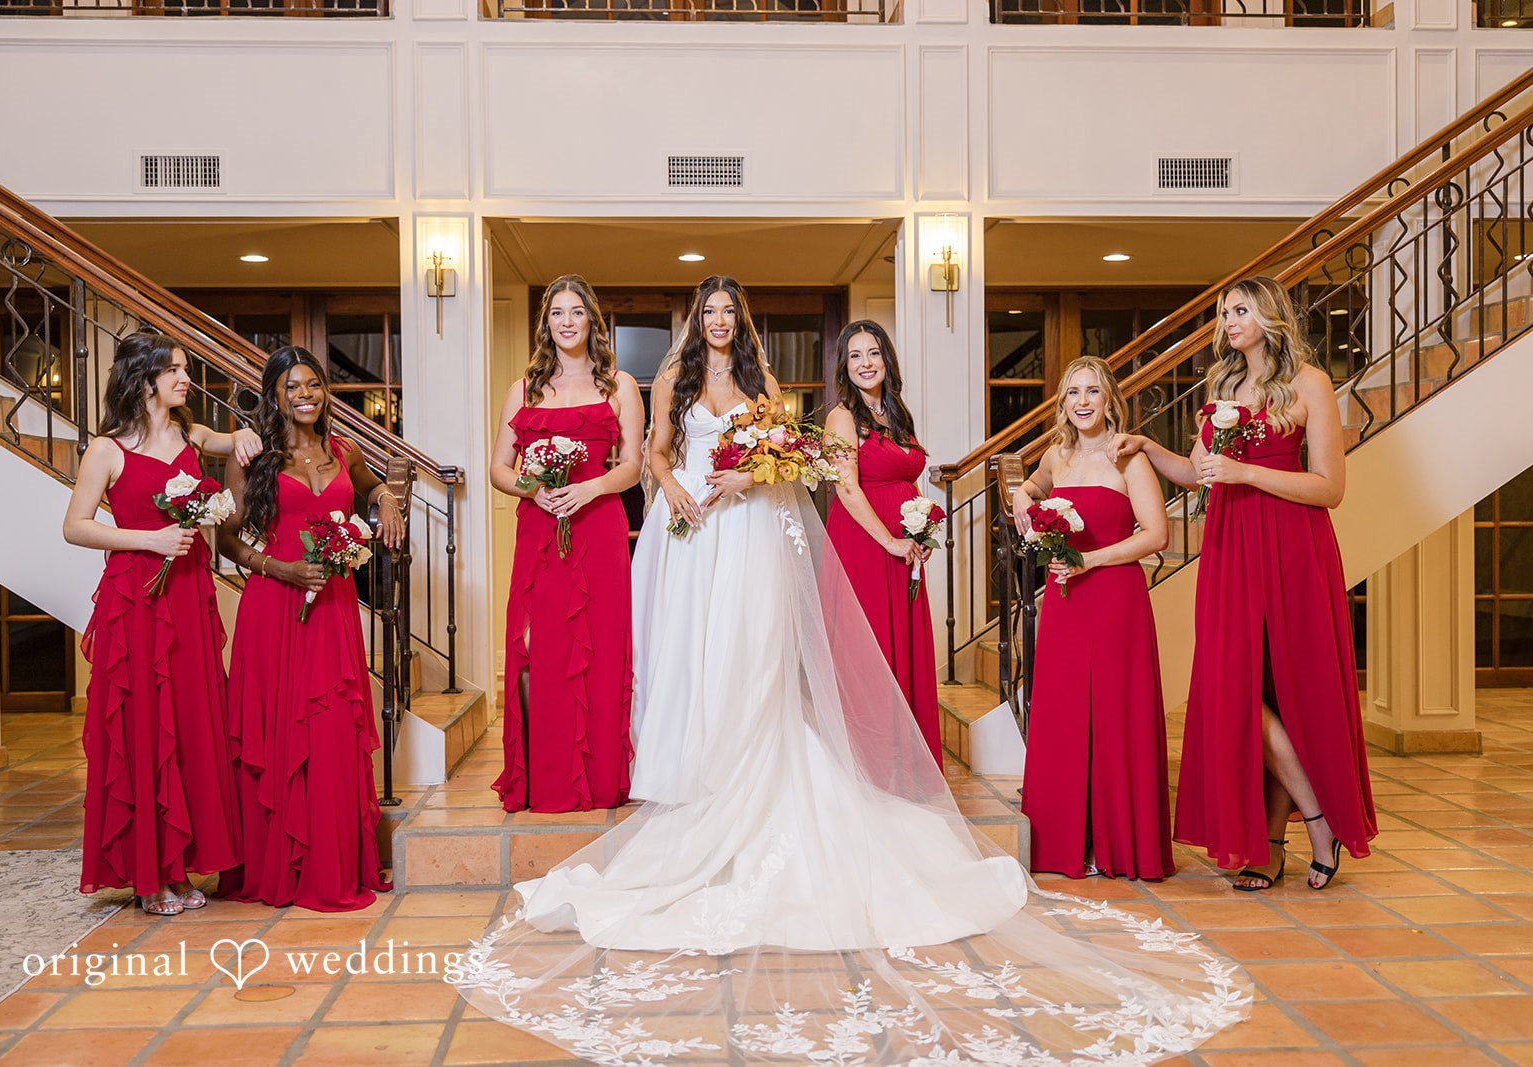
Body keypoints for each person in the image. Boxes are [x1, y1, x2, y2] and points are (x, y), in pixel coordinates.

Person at [448, 277, 1251, 1064]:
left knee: (753, 660)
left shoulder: (763, 382)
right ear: (701, 320)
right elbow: (653, 453)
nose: (721, 321)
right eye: (711, 311)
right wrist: (683, 491)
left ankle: (750, 771)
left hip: (751, 529)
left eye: (731, 310)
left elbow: (788, 462)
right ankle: (695, 774)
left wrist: (746, 474)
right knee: (692, 656)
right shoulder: (675, 379)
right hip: (692, 528)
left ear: (743, 320)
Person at [1114, 276, 1377, 891]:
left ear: (1269, 314)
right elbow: (1202, 475)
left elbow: (1330, 488)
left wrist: (1246, 474)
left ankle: (1278, 842)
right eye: (1223, 312)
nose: (1227, 321)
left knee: (1288, 692)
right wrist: (1152, 447)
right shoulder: (1224, 386)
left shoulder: (1310, 384)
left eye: (1238, 309)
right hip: (1230, 551)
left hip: (1294, 551)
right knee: (1232, 688)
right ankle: (1313, 819)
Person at [63, 330, 261, 915]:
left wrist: (246, 434)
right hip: (136, 603)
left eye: (184, 368)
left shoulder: (191, 436)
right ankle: (148, 877)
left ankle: (178, 869)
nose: (185, 379)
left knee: (190, 722)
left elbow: (235, 440)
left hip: (188, 595)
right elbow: (75, 525)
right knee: (145, 725)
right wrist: (147, 539)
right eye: (174, 370)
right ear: (143, 378)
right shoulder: (107, 449)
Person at [215, 346, 404, 912]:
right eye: (292, 386)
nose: (305, 395)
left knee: (331, 731)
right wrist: (282, 569)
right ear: (273, 393)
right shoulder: (254, 458)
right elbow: (226, 540)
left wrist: (386, 498)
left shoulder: (342, 452)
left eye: (314, 385)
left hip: (334, 608)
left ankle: (333, 861)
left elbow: (369, 487)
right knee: (281, 736)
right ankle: (280, 865)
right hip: (275, 606)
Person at [1011, 356, 1174, 880]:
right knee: (1062, 715)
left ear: (1110, 401)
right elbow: (1033, 489)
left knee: (1113, 716)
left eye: (1093, 392)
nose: (1083, 402)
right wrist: (1020, 492)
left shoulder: (1129, 458)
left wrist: (1091, 560)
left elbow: (1157, 535)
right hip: (1064, 602)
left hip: (1114, 600)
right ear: (1063, 405)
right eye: (1073, 393)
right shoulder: (1056, 457)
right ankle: (1064, 844)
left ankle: (1116, 843)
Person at [488, 275, 644, 813]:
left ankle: (600, 779)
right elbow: (497, 468)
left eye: (577, 312)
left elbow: (632, 466)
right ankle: (544, 779)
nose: (567, 322)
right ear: (545, 323)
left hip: (599, 528)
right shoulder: (523, 388)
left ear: (592, 321)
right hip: (540, 534)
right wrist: (536, 488)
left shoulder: (618, 385)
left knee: (600, 652)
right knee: (541, 651)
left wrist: (587, 488)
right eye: (557, 313)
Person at [824, 320, 942, 769]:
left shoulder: (897, 414)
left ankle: (904, 762)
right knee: (868, 649)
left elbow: (905, 479)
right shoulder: (841, 417)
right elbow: (847, 489)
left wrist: (918, 532)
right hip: (864, 546)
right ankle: (869, 764)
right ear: (845, 366)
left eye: (872, 353)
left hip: (902, 549)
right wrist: (891, 541)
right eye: (855, 356)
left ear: (886, 360)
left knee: (903, 648)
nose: (865, 363)